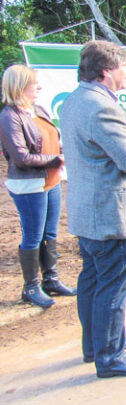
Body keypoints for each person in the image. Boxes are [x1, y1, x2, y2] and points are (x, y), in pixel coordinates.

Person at [60, 40, 126, 378]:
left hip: (89, 212)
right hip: (112, 214)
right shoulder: (101, 107)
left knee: (92, 281)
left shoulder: (75, 102)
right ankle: (110, 356)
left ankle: (95, 344)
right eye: (123, 67)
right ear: (107, 71)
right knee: (112, 289)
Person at [0, 64, 75, 308]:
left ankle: (51, 279)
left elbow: (53, 139)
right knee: (33, 235)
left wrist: (62, 152)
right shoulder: (9, 116)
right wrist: (57, 159)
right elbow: (20, 157)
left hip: (51, 180)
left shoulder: (38, 109)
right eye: (34, 83)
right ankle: (30, 287)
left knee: (50, 232)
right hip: (29, 184)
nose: (39, 87)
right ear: (20, 86)